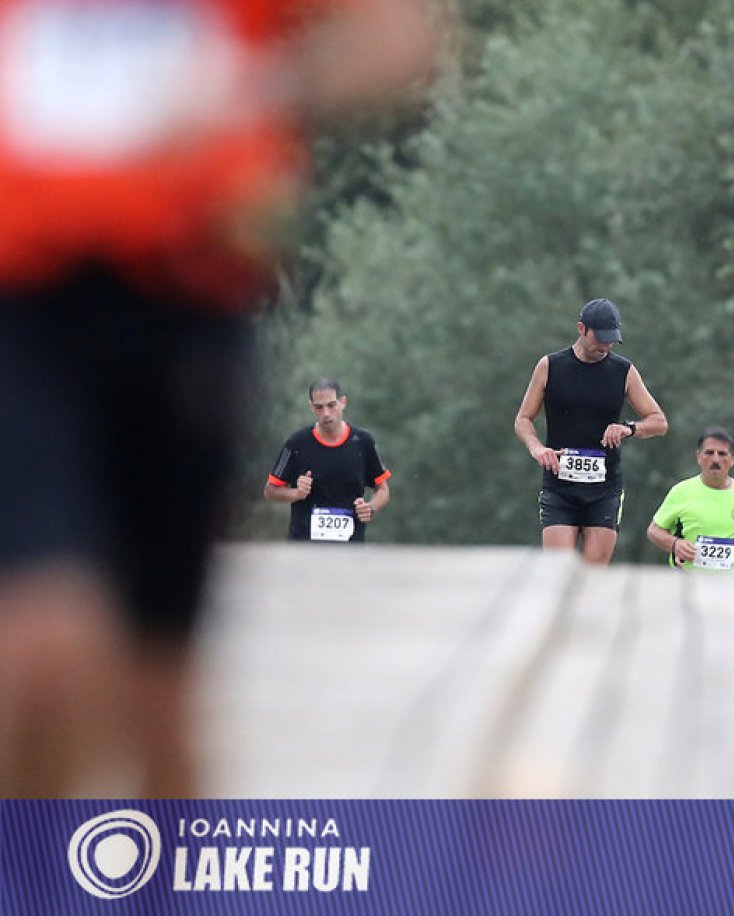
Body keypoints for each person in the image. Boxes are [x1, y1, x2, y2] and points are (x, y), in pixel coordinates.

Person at [0, 0, 437, 797]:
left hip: (184, 299)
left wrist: (248, 87)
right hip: (20, 303)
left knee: (158, 699)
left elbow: (398, 40)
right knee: (46, 653)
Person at [514, 298, 668, 565]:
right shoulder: (550, 366)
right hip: (560, 486)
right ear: (581, 329)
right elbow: (523, 419)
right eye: (601, 339)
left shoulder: (624, 371)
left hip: (604, 489)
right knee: (558, 569)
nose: (606, 346)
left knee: (593, 573)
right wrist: (536, 448)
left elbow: (659, 422)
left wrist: (628, 428)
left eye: (612, 340)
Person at [264, 378, 391, 542]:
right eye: (319, 407)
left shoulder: (363, 441)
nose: (326, 414)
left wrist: (370, 508)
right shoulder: (296, 443)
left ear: (343, 402)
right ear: (311, 407)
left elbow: (383, 490)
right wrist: (296, 493)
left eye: (331, 405)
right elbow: (270, 491)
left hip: (350, 548)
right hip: (304, 547)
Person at [647, 428, 734, 571]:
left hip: (733, 580)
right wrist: (675, 544)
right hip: (688, 579)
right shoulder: (681, 491)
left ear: (733, 459)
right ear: (698, 456)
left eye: (722, 454)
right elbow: (654, 531)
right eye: (709, 453)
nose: (715, 459)